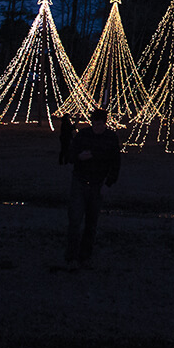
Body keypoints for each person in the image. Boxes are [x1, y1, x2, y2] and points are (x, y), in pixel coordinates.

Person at [65, 107, 121, 267]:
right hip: (80, 181)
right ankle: (71, 256)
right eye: (94, 124)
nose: (96, 127)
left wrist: (108, 184)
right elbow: (70, 155)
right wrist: (78, 157)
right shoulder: (83, 135)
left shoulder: (110, 138)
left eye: (99, 125)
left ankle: (85, 255)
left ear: (105, 124)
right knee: (75, 220)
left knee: (91, 222)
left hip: (97, 184)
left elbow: (115, 163)